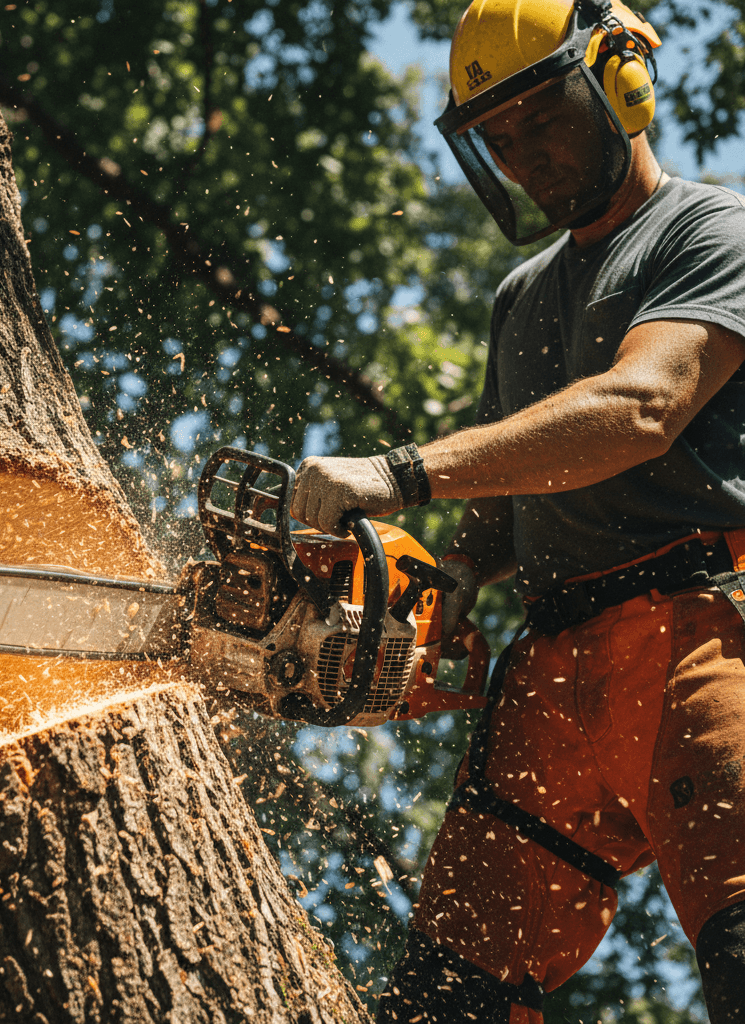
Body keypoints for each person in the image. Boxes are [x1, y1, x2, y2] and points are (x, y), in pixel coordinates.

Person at [289, 0, 745, 1020]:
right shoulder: (523, 292)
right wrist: (442, 581)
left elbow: (642, 405)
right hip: (551, 674)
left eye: (542, 118)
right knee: (444, 995)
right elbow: (508, 481)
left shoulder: (711, 230)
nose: (526, 152)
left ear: (619, 83)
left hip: (699, 635)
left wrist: (396, 471)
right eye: (498, 138)